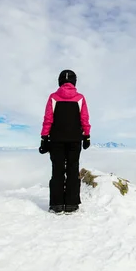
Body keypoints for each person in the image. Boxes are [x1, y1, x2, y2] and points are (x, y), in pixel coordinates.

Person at [39, 69, 91, 213]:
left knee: (58, 170)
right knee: (73, 170)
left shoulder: (53, 97)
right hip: (75, 140)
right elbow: (84, 119)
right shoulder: (80, 98)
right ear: (74, 81)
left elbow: (48, 119)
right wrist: (87, 136)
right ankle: (71, 204)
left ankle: (57, 205)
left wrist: (44, 138)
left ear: (60, 81)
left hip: (56, 140)